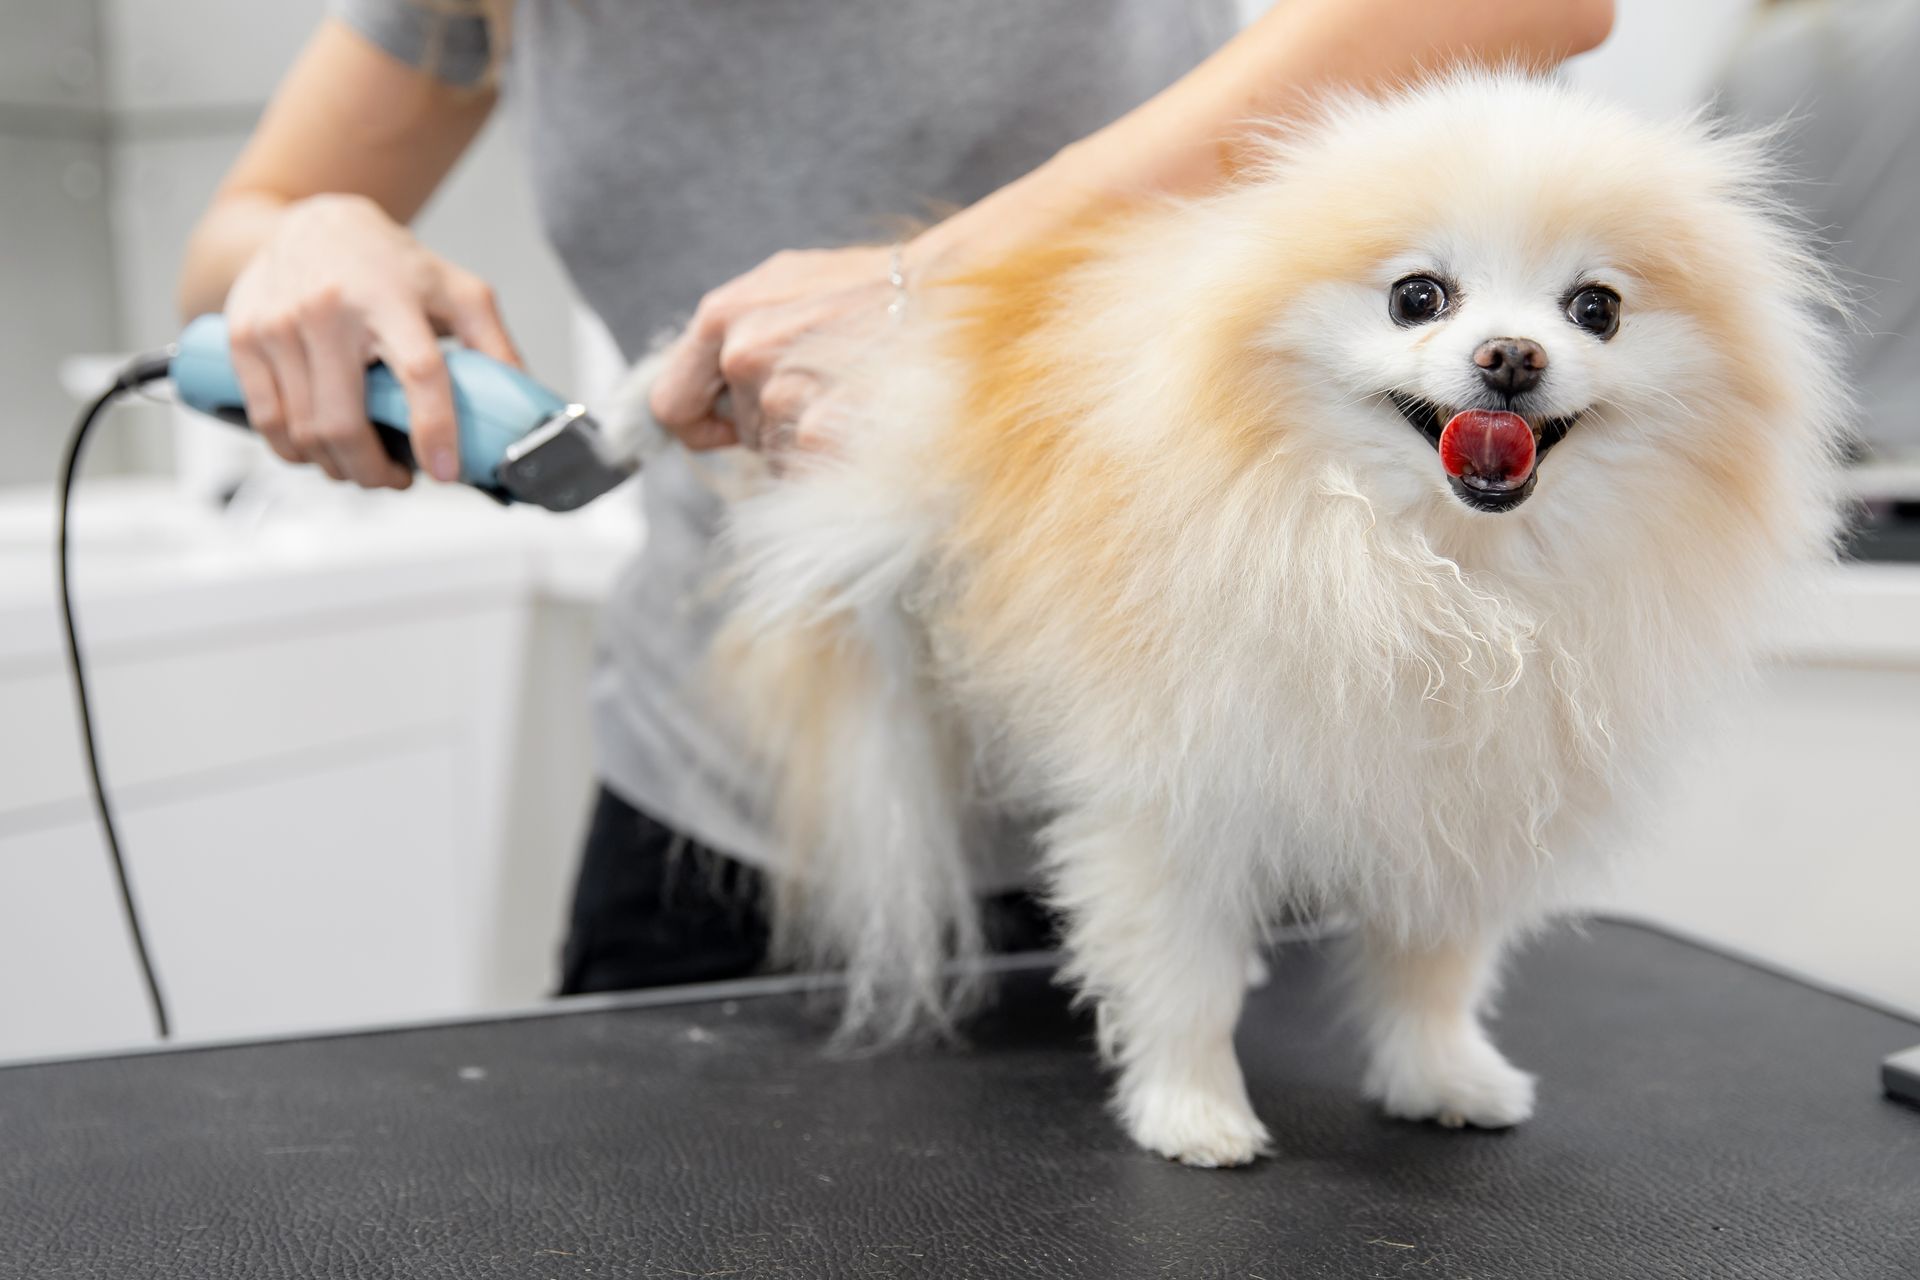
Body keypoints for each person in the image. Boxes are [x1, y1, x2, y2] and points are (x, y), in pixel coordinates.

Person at [177, 0, 1613, 995]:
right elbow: (229, 251)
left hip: (1192, 771)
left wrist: (939, 288)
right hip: (715, 797)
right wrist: (307, 235)